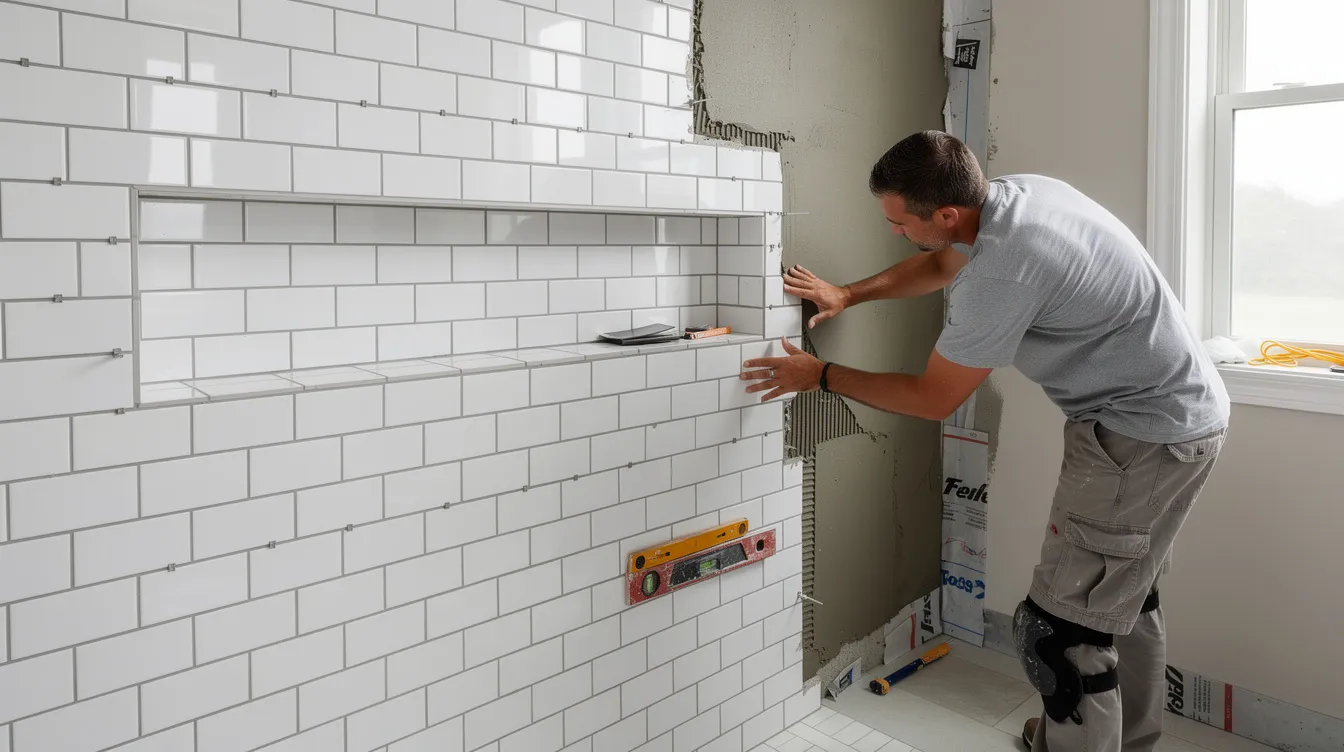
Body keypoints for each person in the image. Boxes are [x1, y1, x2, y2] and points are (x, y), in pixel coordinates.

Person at [740, 130, 1229, 752]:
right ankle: (1117, 742)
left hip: (1142, 438)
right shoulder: (1019, 197)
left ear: (945, 213)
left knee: (1060, 634)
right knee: (1123, 598)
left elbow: (933, 398)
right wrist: (849, 293)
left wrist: (822, 375)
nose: (893, 230)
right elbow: (945, 260)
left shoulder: (1003, 274)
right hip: (1178, 417)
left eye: (899, 221)